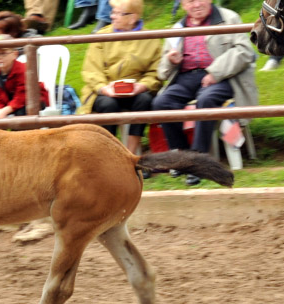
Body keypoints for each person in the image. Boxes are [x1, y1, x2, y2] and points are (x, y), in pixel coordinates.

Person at [151, 0, 257, 186]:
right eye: (190, 1)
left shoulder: (229, 18)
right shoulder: (178, 28)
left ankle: (199, 163)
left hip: (223, 76)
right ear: (183, 5)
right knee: (161, 103)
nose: (196, 4)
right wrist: (171, 60)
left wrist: (215, 72)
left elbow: (244, 51)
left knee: (207, 99)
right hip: (185, 77)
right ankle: (183, 159)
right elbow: (162, 72)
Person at [79, 0, 161, 158]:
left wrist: (142, 86)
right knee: (108, 104)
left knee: (144, 100)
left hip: (134, 91)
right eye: (113, 12)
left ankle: (131, 155)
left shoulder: (151, 39)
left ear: (133, 17)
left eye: (118, 13)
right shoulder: (102, 36)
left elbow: (155, 72)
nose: (112, 17)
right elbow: (91, 70)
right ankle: (111, 156)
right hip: (102, 90)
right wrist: (104, 88)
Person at [0, 34, 49, 119]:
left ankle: (23, 131)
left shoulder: (23, 70)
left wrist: (5, 111)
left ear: (15, 54)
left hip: (30, 102)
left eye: (3, 54)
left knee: (22, 113)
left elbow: (22, 97)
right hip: (8, 102)